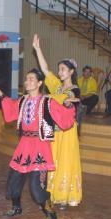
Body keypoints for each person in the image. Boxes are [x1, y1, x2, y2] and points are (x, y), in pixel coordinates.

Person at [0, 68, 76, 219]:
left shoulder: (47, 102)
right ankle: (16, 207)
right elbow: (10, 113)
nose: (27, 82)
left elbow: (65, 119)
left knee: (36, 186)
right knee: (14, 178)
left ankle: (50, 212)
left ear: (39, 83)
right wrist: (1, 94)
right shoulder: (22, 101)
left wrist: (69, 106)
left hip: (40, 146)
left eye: (31, 79)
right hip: (24, 145)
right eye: (26, 79)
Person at [33, 34, 82, 208]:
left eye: (63, 69)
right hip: (55, 131)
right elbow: (45, 70)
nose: (60, 72)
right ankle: (53, 192)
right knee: (54, 160)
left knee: (66, 161)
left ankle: (66, 195)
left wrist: (70, 101)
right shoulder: (57, 87)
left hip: (67, 132)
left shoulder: (74, 89)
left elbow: (74, 99)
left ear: (71, 72)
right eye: (59, 69)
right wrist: (38, 49)